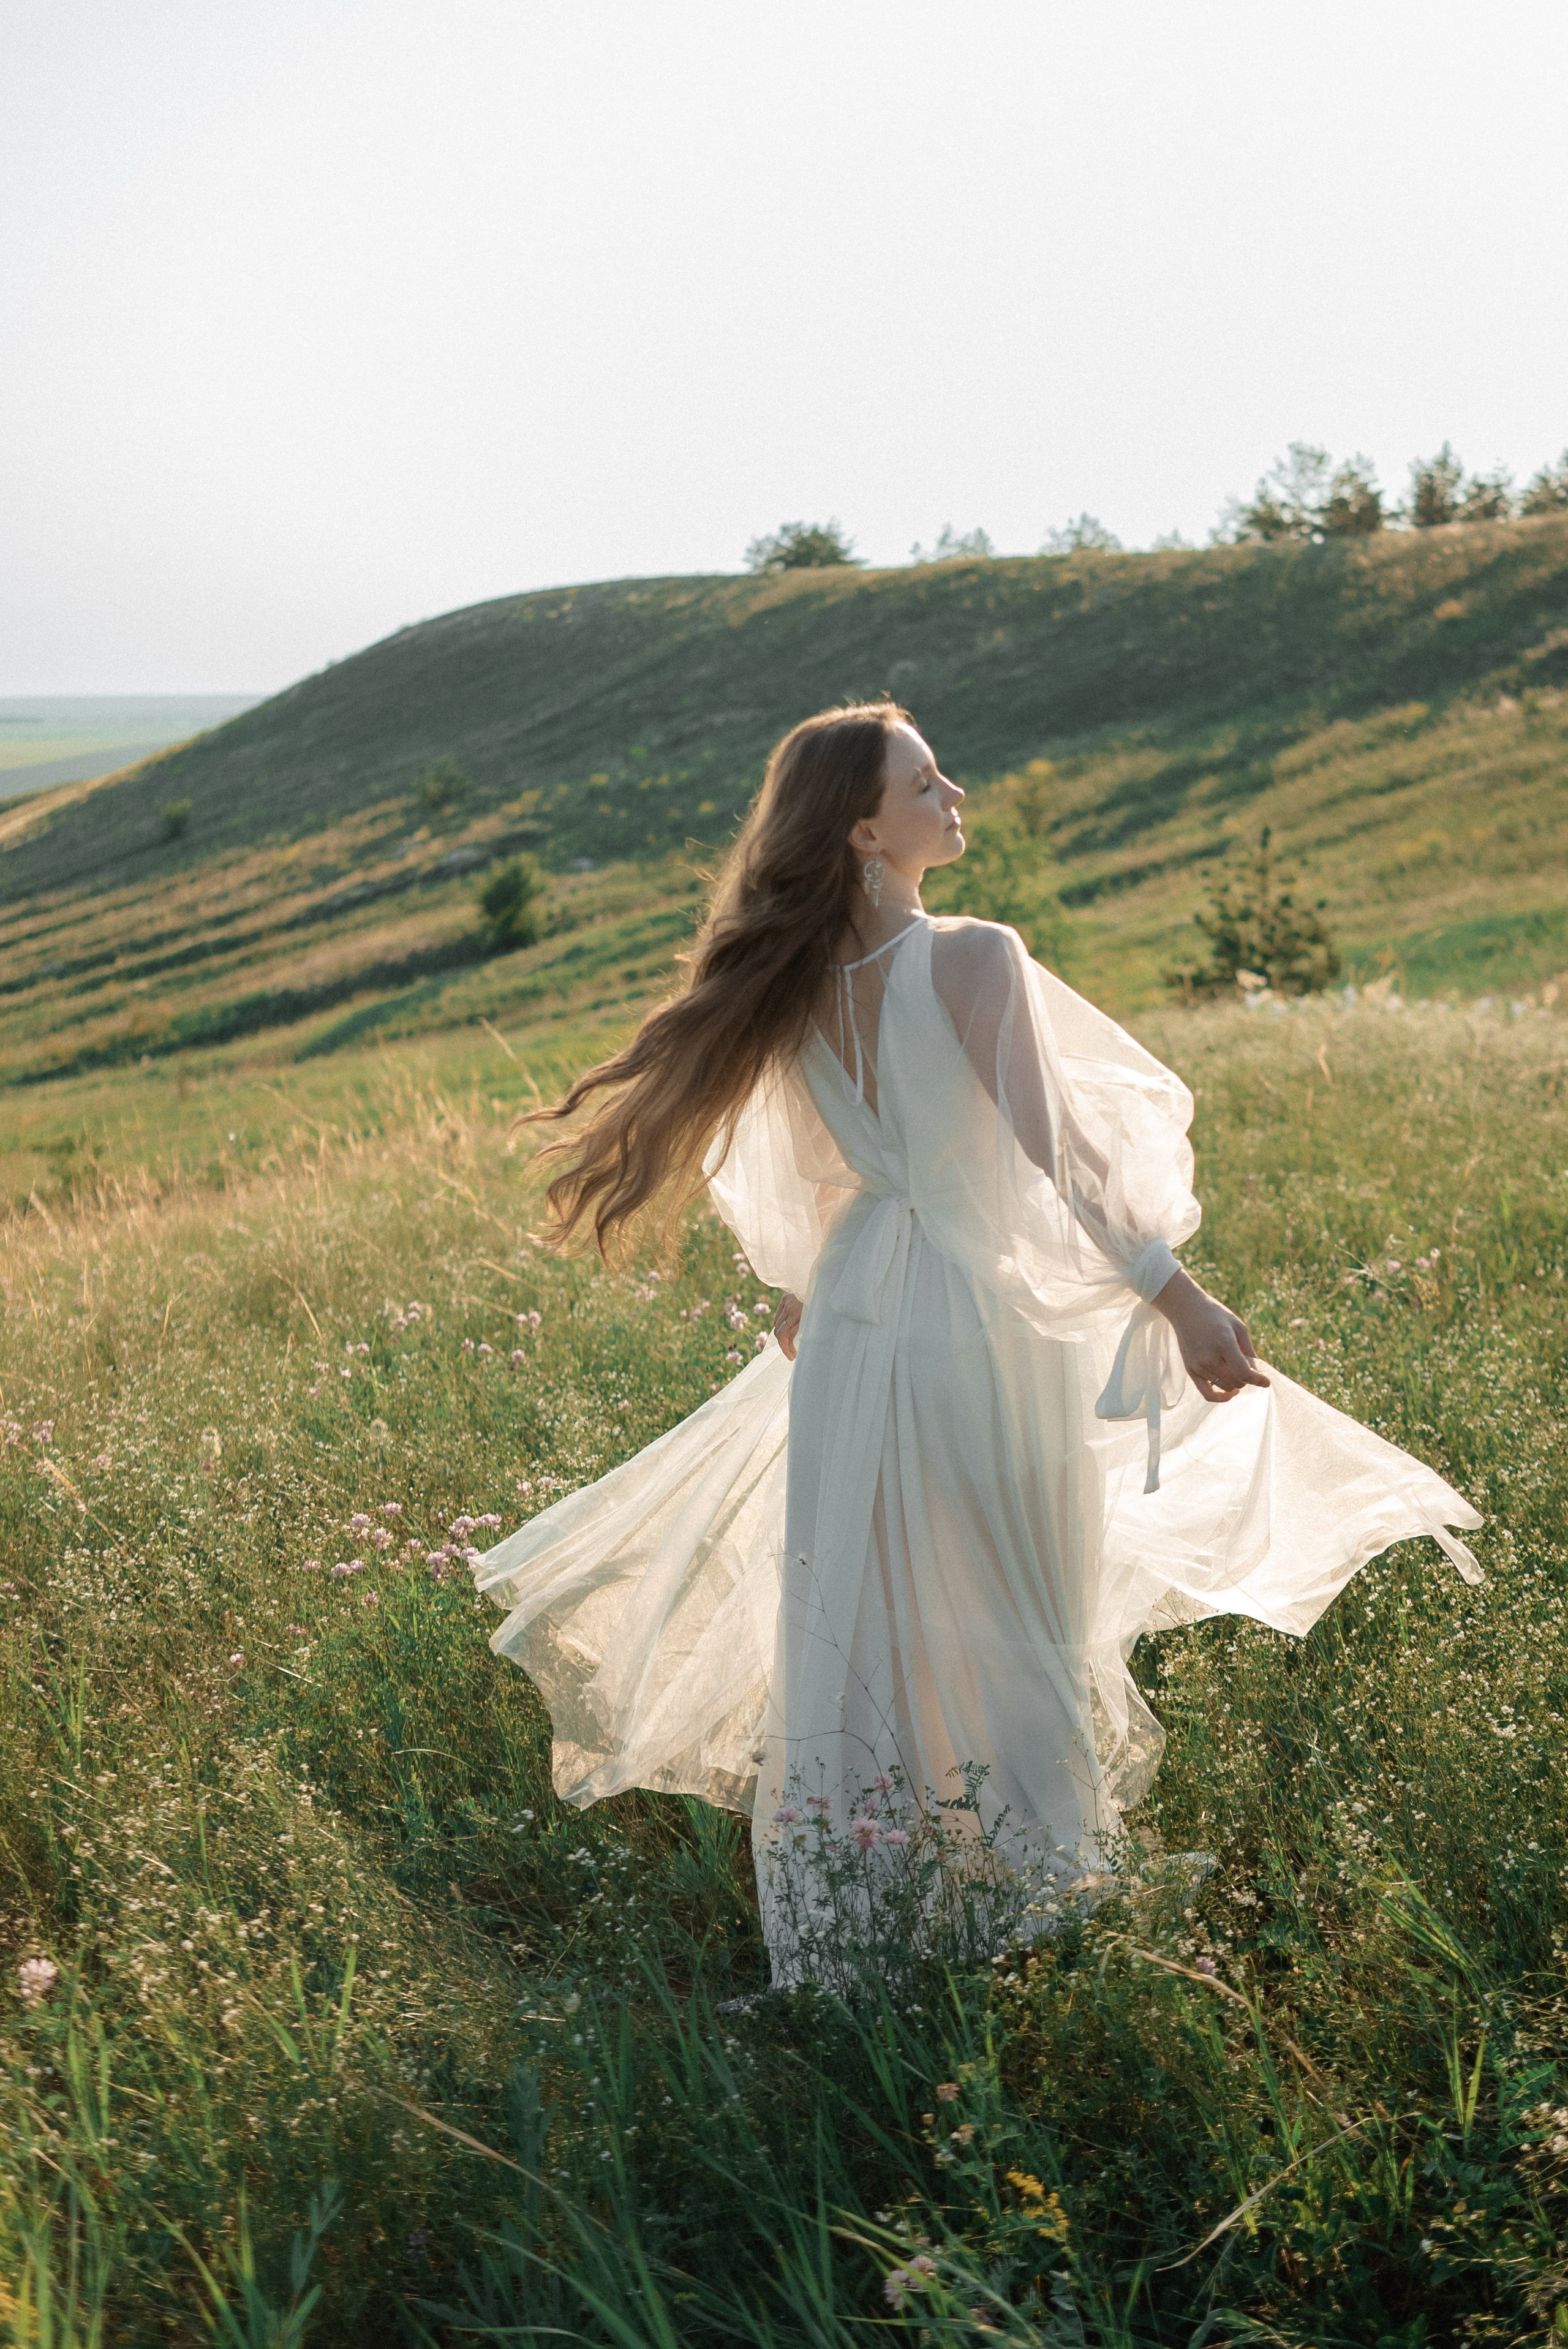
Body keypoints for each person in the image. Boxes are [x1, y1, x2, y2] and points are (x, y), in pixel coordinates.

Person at [472, 702, 1480, 1972]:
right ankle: (1030, 1888)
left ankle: (868, 1910)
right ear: (860, 829)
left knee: (871, 1609)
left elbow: (827, 1182)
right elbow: (1064, 1162)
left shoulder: (793, 992)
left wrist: (807, 1294)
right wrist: (1179, 1299)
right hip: (968, 1317)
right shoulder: (969, 958)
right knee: (1010, 1597)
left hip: (852, 1313)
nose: (955, 795)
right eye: (922, 781)